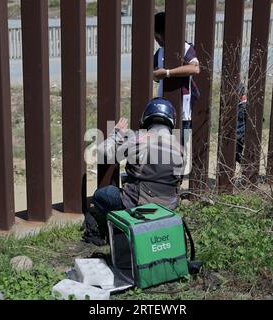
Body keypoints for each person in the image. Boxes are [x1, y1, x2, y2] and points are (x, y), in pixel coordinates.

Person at [83, 98, 184, 246]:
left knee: (100, 195)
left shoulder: (139, 139)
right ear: (171, 120)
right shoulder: (180, 148)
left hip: (140, 205)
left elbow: (103, 153)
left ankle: (114, 230)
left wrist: (116, 134)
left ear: (146, 118)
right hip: (168, 207)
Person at [153, 12, 201, 138]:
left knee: (180, 147)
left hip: (183, 108)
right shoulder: (159, 52)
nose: (156, 39)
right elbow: (154, 74)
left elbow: (195, 68)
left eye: (158, 36)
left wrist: (167, 73)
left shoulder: (185, 48)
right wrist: (156, 76)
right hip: (163, 109)